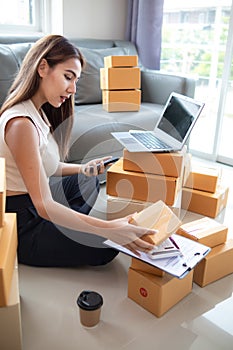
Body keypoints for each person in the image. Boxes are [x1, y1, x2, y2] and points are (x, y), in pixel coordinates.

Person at [0, 34, 157, 267]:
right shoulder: (21, 124)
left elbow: (46, 166)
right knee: (106, 248)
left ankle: (66, 226)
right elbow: (44, 205)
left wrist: (83, 168)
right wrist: (110, 228)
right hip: (24, 220)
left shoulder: (39, 112)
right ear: (42, 67)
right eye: (68, 77)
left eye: (76, 81)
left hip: (35, 202)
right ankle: (61, 229)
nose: (73, 89)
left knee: (88, 180)